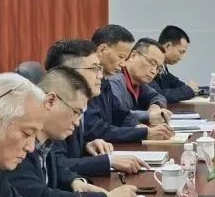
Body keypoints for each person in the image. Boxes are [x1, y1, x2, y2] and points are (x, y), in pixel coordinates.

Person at [7, 67, 138, 197]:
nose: (77, 123)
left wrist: (75, 182)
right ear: (50, 101)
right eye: (76, 112)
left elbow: (58, 167)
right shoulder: (19, 145)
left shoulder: (44, 143)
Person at [43, 38, 143, 178]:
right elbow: (55, 165)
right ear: (68, 72)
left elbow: (67, 151)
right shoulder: (54, 108)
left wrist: (86, 146)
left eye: (99, 68)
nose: (100, 75)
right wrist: (108, 161)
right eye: (94, 69)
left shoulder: (78, 102)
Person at [84, 31, 173, 144]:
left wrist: (140, 127)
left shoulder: (105, 80)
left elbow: (120, 114)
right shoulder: (107, 80)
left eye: (158, 68)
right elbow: (95, 130)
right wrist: (144, 129)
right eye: (121, 57)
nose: (123, 64)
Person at [152, 25, 198, 102]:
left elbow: (174, 83)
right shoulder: (150, 66)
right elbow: (157, 95)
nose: (181, 58)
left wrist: (190, 88)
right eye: (181, 52)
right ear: (168, 46)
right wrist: (188, 90)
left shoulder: (163, 67)